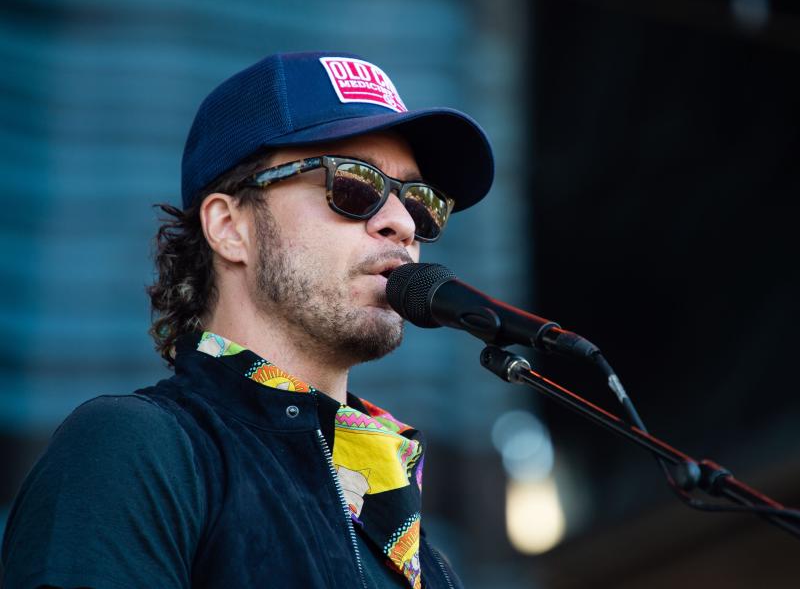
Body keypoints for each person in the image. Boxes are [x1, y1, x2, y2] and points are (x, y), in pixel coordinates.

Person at [1, 51, 494, 589]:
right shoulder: (135, 449)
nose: (402, 224)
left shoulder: (415, 543)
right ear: (230, 227)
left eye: (421, 204)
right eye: (354, 185)